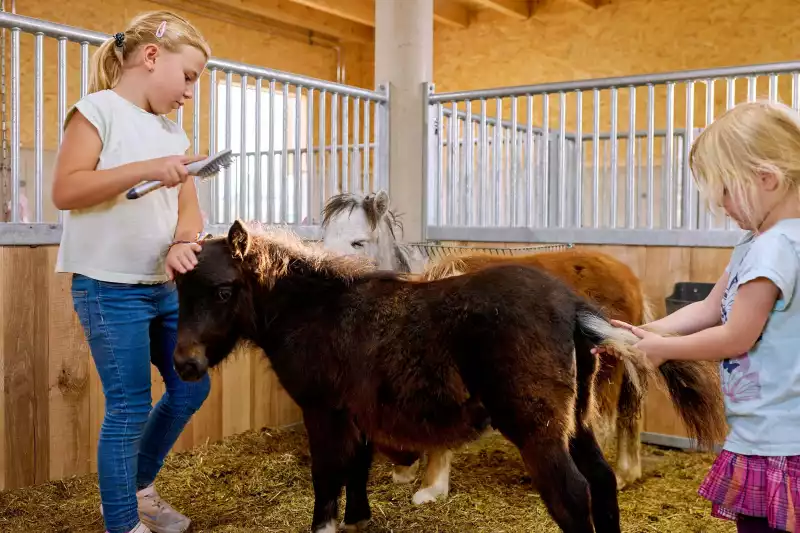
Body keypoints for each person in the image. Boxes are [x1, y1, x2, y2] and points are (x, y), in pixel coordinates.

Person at [594, 100, 800, 533]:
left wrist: (663, 350)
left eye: (725, 190)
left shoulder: (776, 247)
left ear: (767, 179)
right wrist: (644, 333)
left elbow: (736, 337)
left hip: (780, 435)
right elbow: (710, 308)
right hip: (766, 426)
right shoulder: (755, 241)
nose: (721, 204)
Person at [51, 11, 213, 533]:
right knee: (128, 407)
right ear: (150, 57)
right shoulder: (97, 112)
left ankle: (136, 488)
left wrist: (183, 243)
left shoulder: (172, 130)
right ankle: (121, 522)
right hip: (107, 288)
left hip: (163, 287)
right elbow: (67, 190)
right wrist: (147, 169)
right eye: (188, 76)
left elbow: (190, 210)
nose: (190, 92)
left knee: (191, 388)